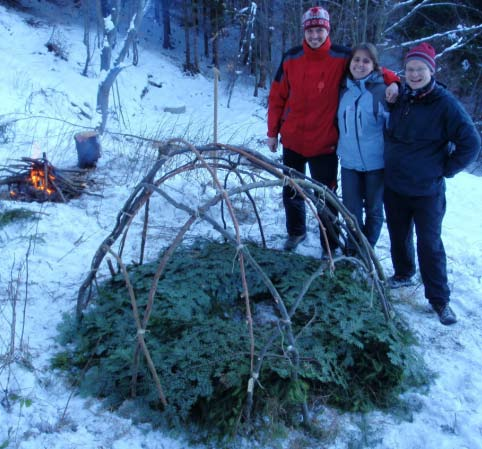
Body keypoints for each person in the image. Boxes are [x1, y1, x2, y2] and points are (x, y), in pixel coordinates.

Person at [267, 6, 399, 254]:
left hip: (324, 141)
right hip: (293, 138)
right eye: (310, 31)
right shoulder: (290, 58)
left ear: (327, 30)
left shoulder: (342, 57)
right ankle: (296, 232)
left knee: (325, 196)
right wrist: (272, 132)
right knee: (292, 189)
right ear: (304, 32)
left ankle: (329, 242)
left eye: (319, 30)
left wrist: (394, 82)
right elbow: (277, 96)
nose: (314, 36)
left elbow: (374, 69)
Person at [383, 42, 481, 325]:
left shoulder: (445, 103)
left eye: (420, 69)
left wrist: (445, 169)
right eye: (410, 69)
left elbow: (471, 143)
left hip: (427, 190)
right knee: (399, 234)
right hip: (396, 184)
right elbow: (373, 69)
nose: (414, 74)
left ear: (431, 71)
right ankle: (403, 273)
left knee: (429, 243)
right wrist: (392, 83)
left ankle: (439, 300)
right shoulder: (401, 96)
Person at [337, 43, 388, 253]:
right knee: (351, 211)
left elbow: (393, 127)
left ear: (374, 65)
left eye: (366, 61)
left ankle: (367, 251)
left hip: (376, 164)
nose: (360, 64)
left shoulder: (383, 92)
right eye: (356, 59)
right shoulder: (342, 90)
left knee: (374, 210)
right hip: (349, 162)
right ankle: (352, 250)